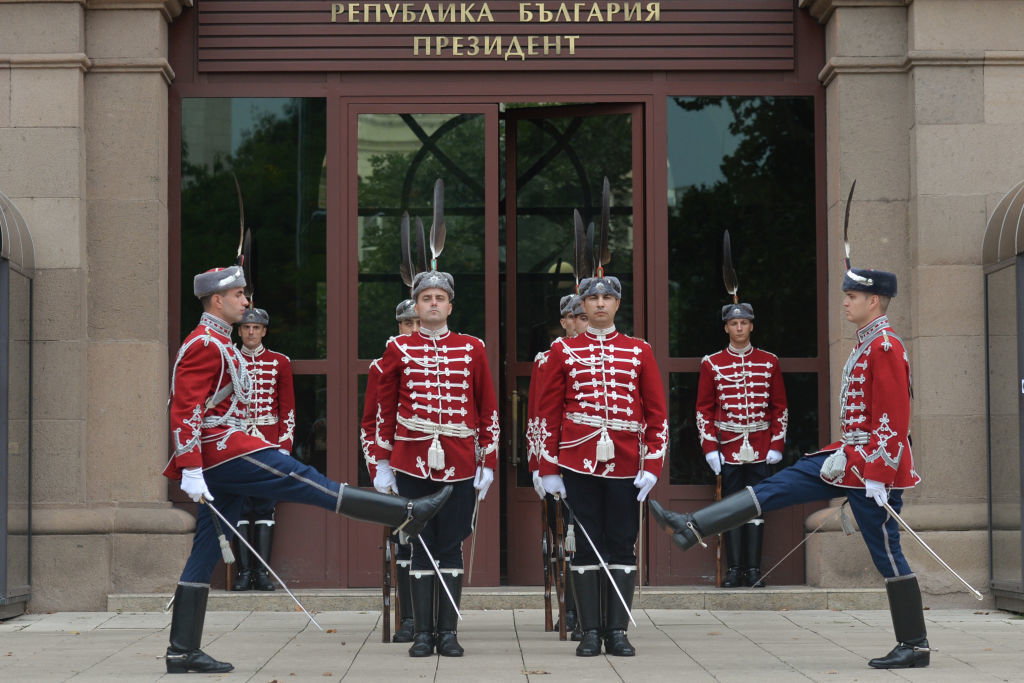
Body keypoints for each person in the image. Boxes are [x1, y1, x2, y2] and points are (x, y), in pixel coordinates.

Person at [164, 265, 451, 675]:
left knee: (206, 549)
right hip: (222, 449)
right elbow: (185, 408)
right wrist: (190, 466)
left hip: (221, 451)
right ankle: (404, 513)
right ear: (217, 300)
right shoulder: (205, 344)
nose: (246, 302)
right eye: (240, 295)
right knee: (304, 479)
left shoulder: (216, 341)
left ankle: (181, 650)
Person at [650, 266, 929, 670]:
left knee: (887, 553)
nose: (845, 302)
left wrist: (879, 475)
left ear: (873, 301)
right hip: (845, 459)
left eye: (852, 296)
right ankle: (692, 525)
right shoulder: (866, 344)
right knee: (778, 486)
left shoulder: (884, 346)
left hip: (870, 470)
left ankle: (915, 645)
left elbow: (892, 419)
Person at [534, 275, 668, 658]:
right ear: (583, 305)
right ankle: (591, 630)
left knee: (622, 543)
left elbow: (657, 413)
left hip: (627, 462)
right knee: (588, 545)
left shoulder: (639, 351)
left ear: (617, 304)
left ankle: (617, 631)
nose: (600, 304)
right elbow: (548, 414)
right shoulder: (563, 351)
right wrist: (549, 468)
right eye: (592, 298)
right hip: (578, 460)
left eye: (607, 297)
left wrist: (653, 464)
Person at [370, 269, 499, 658]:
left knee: (451, 544)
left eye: (439, 298)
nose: (433, 304)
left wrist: (487, 461)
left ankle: (449, 632)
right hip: (411, 459)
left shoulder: (472, 347)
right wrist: (381, 462)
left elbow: (487, 407)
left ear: (450, 306)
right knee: (418, 544)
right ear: (417, 305)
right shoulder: (398, 348)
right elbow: (383, 409)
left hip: (459, 460)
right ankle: (423, 633)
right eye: (426, 298)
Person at [696, 302, 787, 587]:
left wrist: (777, 444)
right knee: (731, 508)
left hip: (760, 446)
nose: (739, 328)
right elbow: (704, 410)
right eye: (734, 324)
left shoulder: (769, 361)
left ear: (751, 326)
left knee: (756, 507)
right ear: (726, 327)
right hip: (728, 447)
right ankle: (734, 570)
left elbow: (779, 407)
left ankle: (753, 571)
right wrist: (710, 449)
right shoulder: (711, 363)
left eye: (744, 323)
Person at [525, 293, 587, 640]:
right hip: (557, 463)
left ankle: (587, 613)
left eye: (583, 317)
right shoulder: (546, 360)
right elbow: (537, 415)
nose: (579, 323)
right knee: (563, 538)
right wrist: (538, 465)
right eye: (572, 318)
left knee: (589, 538)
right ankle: (570, 610)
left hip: (592, 459)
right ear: (562, 322)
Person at [361, 298, 420, 643]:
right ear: (397, 327)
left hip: (438, 466)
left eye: (417, 323)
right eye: (406, 324)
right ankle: (410, 619)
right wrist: (379, 467)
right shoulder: (382, 367)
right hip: (399, 466)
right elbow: (370, 424)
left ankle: (438, 620)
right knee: (406, 544)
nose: (413, 329)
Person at [230, 307, 295, 592]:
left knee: (266, 506)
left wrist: (284, 446)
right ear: (239, 331)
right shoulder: (229, 359)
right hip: (236, 442)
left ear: (264, 331)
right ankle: (244, 573)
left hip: (268, 441)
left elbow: (287, 407)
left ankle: (263, 573)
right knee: (241, 506)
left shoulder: (279, 362)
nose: (251, 332)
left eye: (256, 328)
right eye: (246, 328)